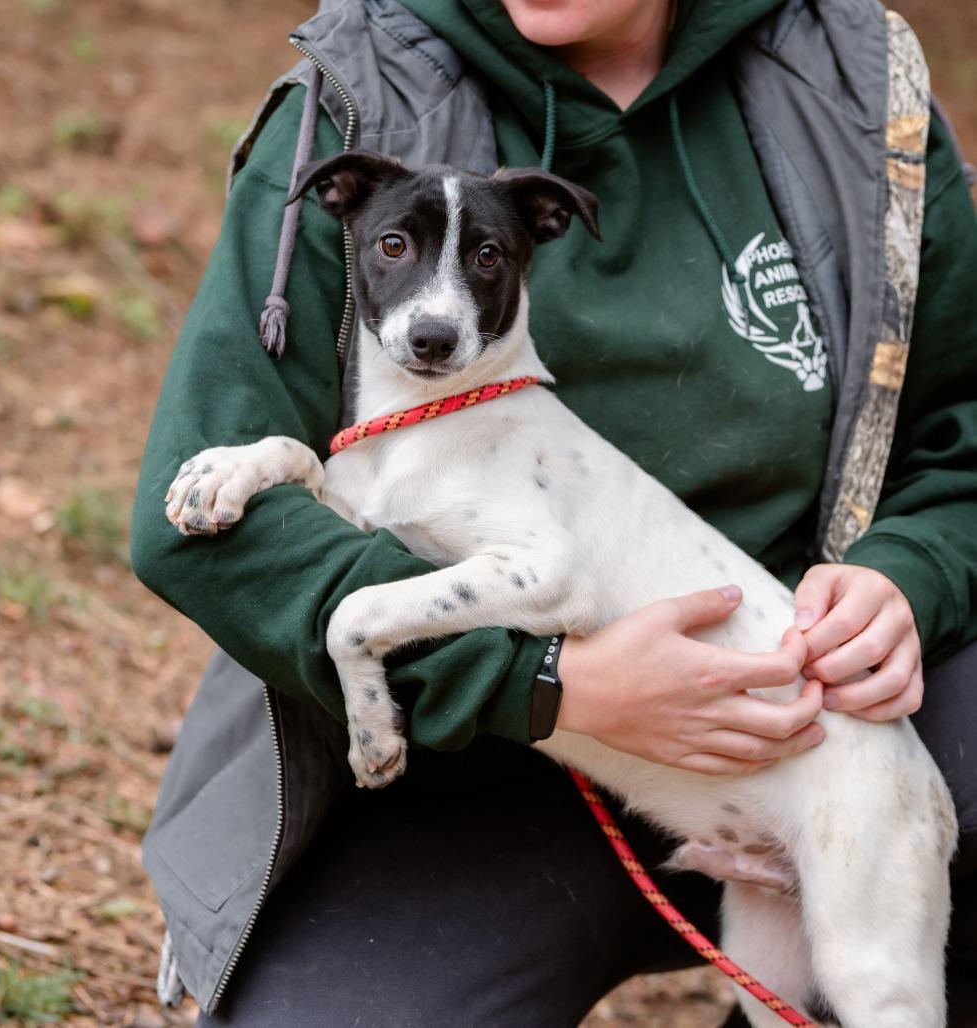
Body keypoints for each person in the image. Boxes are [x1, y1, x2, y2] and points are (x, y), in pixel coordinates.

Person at [130, 0, 977, 1024]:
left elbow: (957, 425)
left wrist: (912, 563)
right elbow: (196, 521)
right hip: (457, 767)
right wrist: (542, 683)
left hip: (792, 717)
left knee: (875, 983)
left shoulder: (849, 82)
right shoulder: (354, 98)